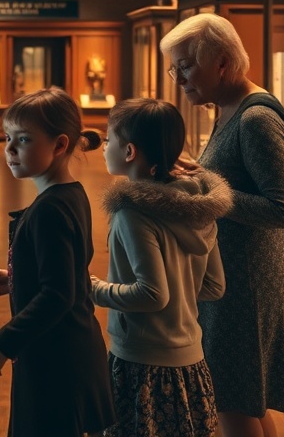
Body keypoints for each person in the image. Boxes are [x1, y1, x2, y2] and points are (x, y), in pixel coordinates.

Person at [160, 12, 284, 437]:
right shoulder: (227, 108)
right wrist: (198, 175)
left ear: (221, 62)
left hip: (250, 282)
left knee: (230, 400)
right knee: (246, 400)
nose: (179, 78)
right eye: (176, 68)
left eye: (186, 66)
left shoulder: (254, 118)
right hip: (236, 277)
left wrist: (205, 186)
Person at [0, 87, 115, 437]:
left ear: (60, 145)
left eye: (22, 139)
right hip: (69, 349)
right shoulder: (70, 194)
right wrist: (18, 278)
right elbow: (66, 273)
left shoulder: (50, 209)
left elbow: (58, 294)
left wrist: (5, 342)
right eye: (7, 137)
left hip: (57, 359)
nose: (9, 150)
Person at [91, 97, 231, 437]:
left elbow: (152, 294)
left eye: (109, 139)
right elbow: (214, 286)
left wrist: (93, 288)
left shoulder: (131, 213)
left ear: (129, 152)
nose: (104, 146)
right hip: (191, 361)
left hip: (142, 360)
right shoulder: (197, 208)